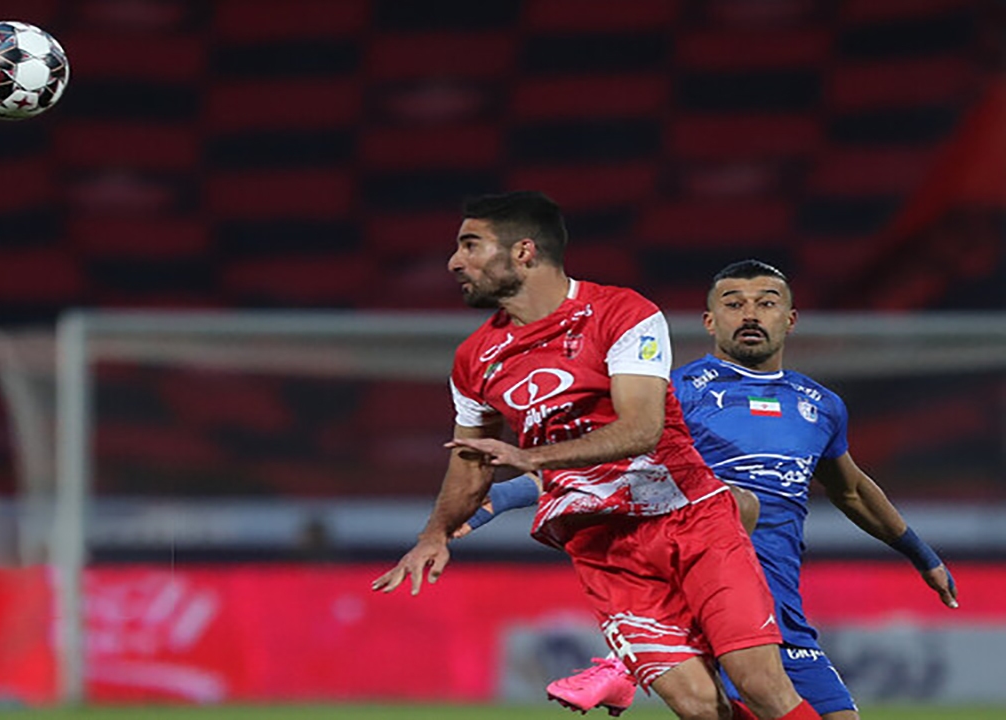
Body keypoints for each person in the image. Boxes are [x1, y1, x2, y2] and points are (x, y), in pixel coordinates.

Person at [371, 192, 824, 720]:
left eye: (470, 245)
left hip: (688, 517)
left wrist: (536, 458)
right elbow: (469, 461)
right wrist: (435, 534)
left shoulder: (622, 313)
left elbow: (642, 429)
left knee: (761, 685)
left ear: (523, 252)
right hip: (603, 547)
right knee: (700, 708)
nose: (455, 262)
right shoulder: (474, 358)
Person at [461, 259, 960, 719]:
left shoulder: (820, 405)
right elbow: (597, 464)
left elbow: (851, 491)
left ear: (790, 319)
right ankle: (624, 663)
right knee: (737, 509)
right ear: (709, 321)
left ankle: (622, 666)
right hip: (708, 604)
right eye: (734, 303)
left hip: (782, 605)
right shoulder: (674, 393)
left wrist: (922, 556)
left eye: (766, 303)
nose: (750, 314)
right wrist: (498, 498)